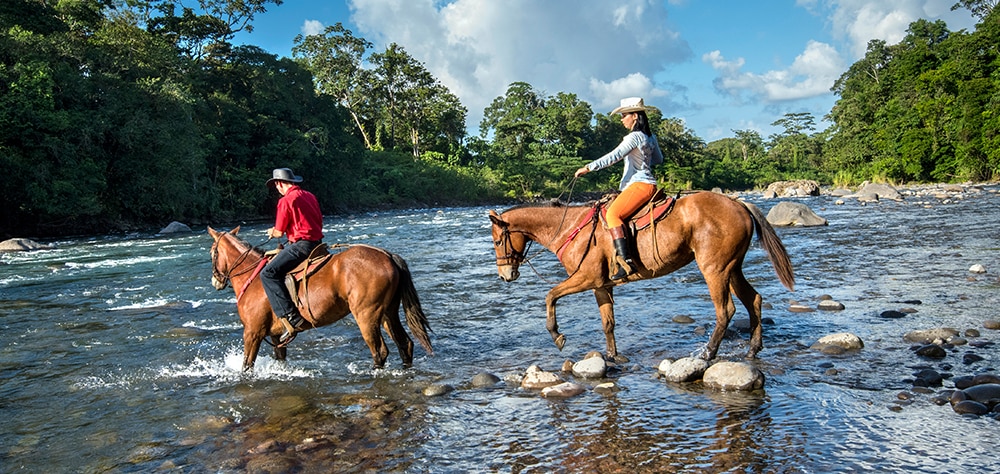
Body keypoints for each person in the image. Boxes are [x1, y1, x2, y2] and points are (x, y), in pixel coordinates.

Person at [574, 97, 663, 280]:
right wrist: (643, 158)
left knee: (613, 215)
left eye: (624, 116)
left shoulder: (634, 137)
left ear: (635, 117)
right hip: (649, 184)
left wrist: (589, 167)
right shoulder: (650, 137)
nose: (622, 120)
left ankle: (626, 261)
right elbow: (658, 160)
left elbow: (614, 156)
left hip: (638, 185)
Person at [260, 168, 324, 343]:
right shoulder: (310, 196)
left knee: (267, 274)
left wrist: (271, 232)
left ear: (280, 184)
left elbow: (279, 231)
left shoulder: (286, 200)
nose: (277, 189)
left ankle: (290, 317)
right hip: (317, 244)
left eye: (276, 186)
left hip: (301, 246)